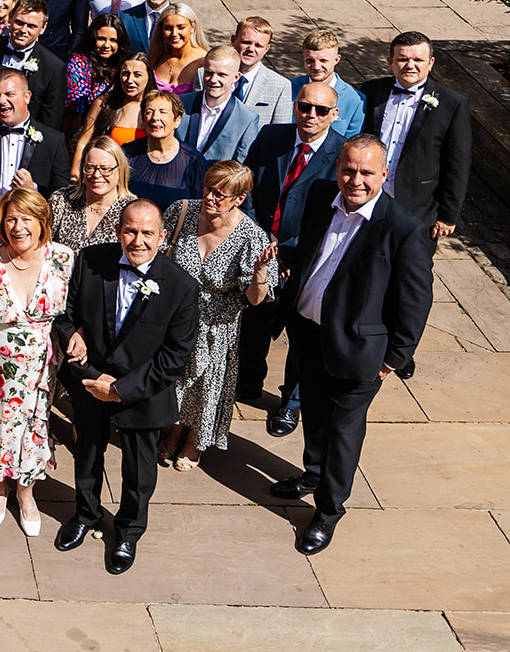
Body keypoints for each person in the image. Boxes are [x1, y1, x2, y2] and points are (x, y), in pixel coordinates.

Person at [269, 136, 433, 556]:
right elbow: (313, 249)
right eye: (348, 169)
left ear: (384, 173)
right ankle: (311, 474)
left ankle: (327, 511)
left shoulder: (404, 229)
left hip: (360, 353)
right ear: (338, 167)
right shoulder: (324, 195)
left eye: (365, 172)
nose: (355, 180)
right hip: (309, 332)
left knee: (343, 434)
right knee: (315, 415)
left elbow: (414, 303)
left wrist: (391, 361)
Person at [52, 199, 199, 573]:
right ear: (118, 231)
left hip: (141, 393)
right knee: (87, 454)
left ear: (162, 236)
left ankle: (129, 531)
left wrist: (119, 390)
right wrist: (82, 356)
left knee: (138, 472)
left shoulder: (181, 287)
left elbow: (173, 358)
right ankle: (85, 514)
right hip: (90, 381)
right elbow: (64, 317)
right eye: (130, 230)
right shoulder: (89, 261)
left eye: (147, 232)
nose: (137, 240)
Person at [0, 188, 74, 534]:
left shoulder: (63, 259)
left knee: (36, 428)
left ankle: (26, 493)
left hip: (42, 368)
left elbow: (76, 312)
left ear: (43, 222)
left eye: (26, 218)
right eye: (10, 218)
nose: (17, 226)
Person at [159, 161, 279, 471]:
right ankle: (173, 429)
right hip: (175, 318)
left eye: (220, 194)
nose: (210, 198)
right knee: (175, 381)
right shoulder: (181, 211)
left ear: (239, 198)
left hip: (217, 326)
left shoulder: (252, 237)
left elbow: (255, 300)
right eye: (208, 189)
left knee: (206, 385)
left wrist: (260, 273)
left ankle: (194, 441)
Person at [238, 80, 346, 423]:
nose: (310, 115)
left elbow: (334, 215)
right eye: (304, 107)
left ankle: (292, 403)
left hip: (305, 259)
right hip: (261, 249)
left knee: (301, 332)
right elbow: (249, 187)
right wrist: (260, 238)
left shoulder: (341, 155)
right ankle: (247, 382)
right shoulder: (272, 137)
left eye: (320, 110)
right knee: (255, 320)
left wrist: (287, 252)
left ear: (334, 114)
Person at [361, 30, 471, 240]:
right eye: (402, 59)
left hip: (419, 208)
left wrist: (448, 215)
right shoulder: (371, 90)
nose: (410, 65)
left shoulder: (452, 104)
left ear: (430, 63)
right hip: (368, 198)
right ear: (390, 62)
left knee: (411, 270)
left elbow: (458, 164)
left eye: (418, 59)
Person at [0, 69, 71, 240]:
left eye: (9, 94)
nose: (1, 101)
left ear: (27, 97)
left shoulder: (53, 140)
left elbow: (63, 200)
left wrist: (34, 190)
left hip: (30, 242)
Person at [0, 0, 67, 129]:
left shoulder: (53, 68)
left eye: (32, 26)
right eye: (19, 22)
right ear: (10, 19)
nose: (23, 30)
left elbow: (50, 121)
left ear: (43, 28)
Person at [178, 45, 261, 165]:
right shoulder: (181, 104)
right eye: (209, 73)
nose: (213, 80)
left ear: (236, 77)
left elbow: (241, 167)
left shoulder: (247, 119)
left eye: (221, 75)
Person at [51, 136, 137, 252]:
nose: (97, 175)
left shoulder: (131, 210)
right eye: (90, 168)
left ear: (120, 171)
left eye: (105, 168)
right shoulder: (61, 200)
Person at [74, 52, 151, 175]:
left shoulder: (155, 107)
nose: (130, 80)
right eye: (125, 74)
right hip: (107, 176)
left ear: (149, 77)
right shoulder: (104, 104)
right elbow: (84, 141)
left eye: (137, 75)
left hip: (143, 175)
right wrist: (75, 175)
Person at [125, 91, 205, 209]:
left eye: (163, 112)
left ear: (177, 120)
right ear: (142, 118)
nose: (155, 117)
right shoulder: (127, 153)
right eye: (149, 112)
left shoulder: (193, 161)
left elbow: (198, 209)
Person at [290, 29, 367, 139]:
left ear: (336, 59)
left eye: (323, 61)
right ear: (303, 58)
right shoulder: (288, 88)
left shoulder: (355, 100)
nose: (316, 67)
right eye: (310, 61)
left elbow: (350, 143)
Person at [66, 13, 131, 125]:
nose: (106, 45)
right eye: (101, 39)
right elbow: (74, 112)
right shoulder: (79, 63)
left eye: (113, 40)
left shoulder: (125, 63)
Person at [232, 16, 295, 126]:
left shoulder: (280, 86)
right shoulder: (207, 75)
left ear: (266, 49)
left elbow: (279, 134)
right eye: (246, 42)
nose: (251, 49)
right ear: (233, 40)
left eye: (258, 45)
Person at [148, 3, 208, 94]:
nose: (174, 33)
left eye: (181, 27)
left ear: (192, 27)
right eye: (168, 28)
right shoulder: (157, 58)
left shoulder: (205, 61)